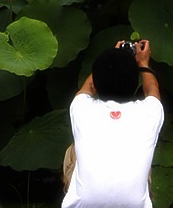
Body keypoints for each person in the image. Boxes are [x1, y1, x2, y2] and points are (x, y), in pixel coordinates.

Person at [61, 39, 163, 208]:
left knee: (73, 150)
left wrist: (111, 58)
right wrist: (143, 63)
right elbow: (152, 88)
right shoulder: (150, 112)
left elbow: (89, 86)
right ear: (134, 83)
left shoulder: (81, 109)